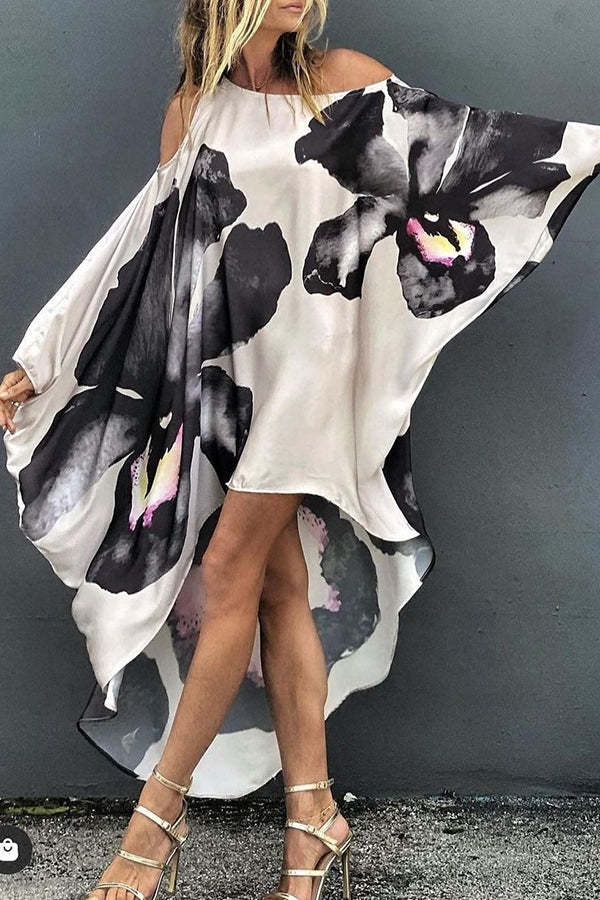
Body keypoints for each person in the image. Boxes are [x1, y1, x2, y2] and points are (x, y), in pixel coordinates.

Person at [2, 1, 599, 899]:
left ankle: (152, 829)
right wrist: (43, 359)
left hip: (311, 381)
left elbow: (465, 158)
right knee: (277, 588)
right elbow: (147, 252)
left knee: (227, 571)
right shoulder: (194, 109)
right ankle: (314, 818)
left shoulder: (346, 83)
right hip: (236, 377)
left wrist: (582, 146)